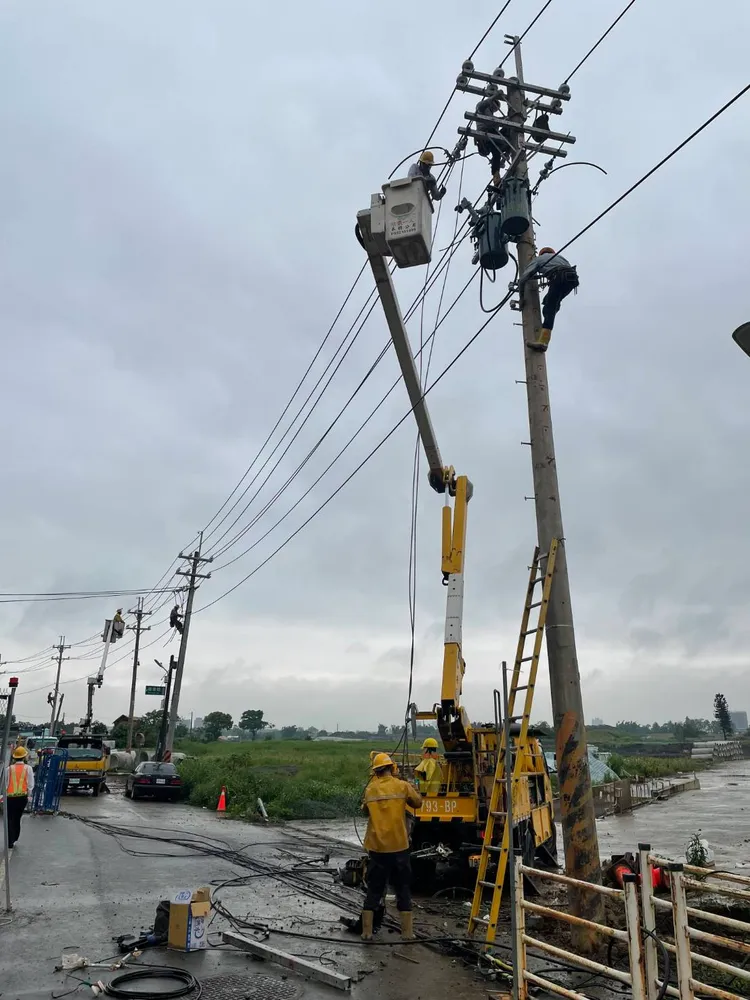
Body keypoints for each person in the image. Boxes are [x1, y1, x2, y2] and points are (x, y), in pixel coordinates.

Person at [360, 752, 422, 941]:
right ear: (392, 767)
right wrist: (412, 788)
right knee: (403, 888)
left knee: (374, 889)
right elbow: (418, 803)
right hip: (399, 847)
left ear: (375, 771)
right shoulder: (402, 786)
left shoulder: (370, 790)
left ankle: (366, 932)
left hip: (377, 848)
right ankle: (407, 933)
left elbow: (365, 811)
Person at [519, 247, 579, 351]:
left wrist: (521, 298)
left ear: (541, 254)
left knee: (549, 308)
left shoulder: (538, 260)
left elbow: (523, 278)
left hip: (559, 277)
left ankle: (543, 342)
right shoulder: (561, 258)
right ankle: (550, 315)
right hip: (571, 280)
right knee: (549, 301)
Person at [5, 746, 34, 848]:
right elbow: (30, 785)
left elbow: (5, 784)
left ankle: (9, 840)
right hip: (22, 798)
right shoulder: (28, 768)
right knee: (17, 818)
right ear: (24, 757)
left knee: (9, 819)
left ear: (14, 757)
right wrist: (29, 796)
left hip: (10, 798)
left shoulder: (9, 769)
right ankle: (15, 838)